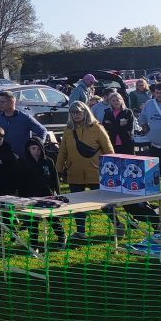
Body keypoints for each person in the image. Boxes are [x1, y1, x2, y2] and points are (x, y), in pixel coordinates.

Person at [55, 101, 117, 241]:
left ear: (85, 112)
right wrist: (58, 170)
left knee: (104, 202)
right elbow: (63, 152)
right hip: (74, 172)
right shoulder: (68, 130)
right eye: (72, 112)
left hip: (96, 172)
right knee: (77, 204)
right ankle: (80, 231)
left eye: (78, 112)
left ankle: (117, 224)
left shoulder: (97, 128)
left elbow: (109, 150)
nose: (75, 115)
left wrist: (109, 171)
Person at [15, 138, 67, 251]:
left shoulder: (48, 161)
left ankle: (62, 237)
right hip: (30, 197)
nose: (36, 151)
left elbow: (55, 179)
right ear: (28, 149)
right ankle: (34, 246)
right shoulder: (23, 162)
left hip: (47, 196)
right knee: (32, 223)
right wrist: (21, 196)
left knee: (53, 219)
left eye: (39, 148)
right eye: (33, 148)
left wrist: (58, 193)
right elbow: (19, 180)